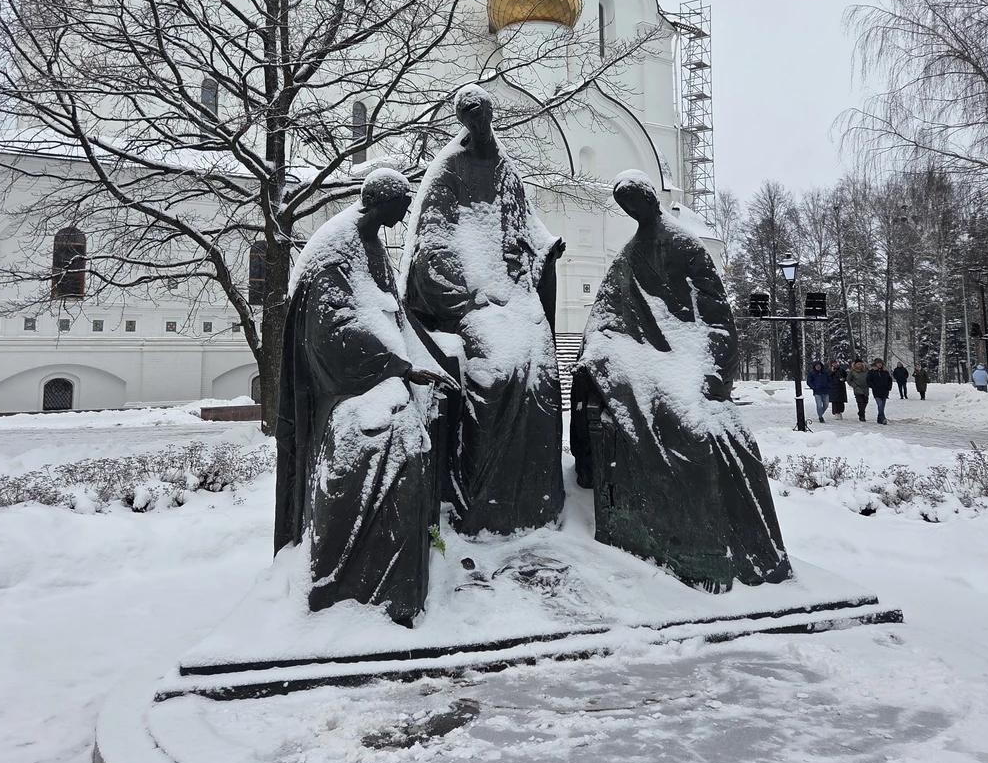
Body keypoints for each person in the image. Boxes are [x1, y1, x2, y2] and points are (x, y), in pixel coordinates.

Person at [570, 171, 791, 593]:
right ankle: (685, 543)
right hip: (645, 360)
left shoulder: (688, 249)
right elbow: (607, 314)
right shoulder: (629, 257)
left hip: (688, 360)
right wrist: (599, 345)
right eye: (626, 207)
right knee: (645, 399)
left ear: (652, 201)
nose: (634, 212)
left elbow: (716, 320)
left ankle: (706, 549)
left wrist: (711, 373)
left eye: (637, 202)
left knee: (692, 426)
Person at [274, 170, 455, 626]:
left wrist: (427, 364)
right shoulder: (335, 249)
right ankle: (356, 582)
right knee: (391, 434)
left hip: (374, 375)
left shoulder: (372, 241)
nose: (405, 216)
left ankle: (402, 579)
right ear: (381, 203)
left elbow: (392, 316)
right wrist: (399, 367)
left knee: (418, 418)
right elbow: (331, 333)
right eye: (401, 207)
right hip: (340, 386)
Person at [402, 85, 565, 537]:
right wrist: (470, 294)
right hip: (467, 297)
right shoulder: (447, 172)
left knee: (542, 371)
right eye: (469, 118)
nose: (477, 125)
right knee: (496, 370)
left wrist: (537, 257)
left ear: (489, 118)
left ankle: (537, 499)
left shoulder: (508, 172)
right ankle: (482, 500)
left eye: (482, 116)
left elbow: (523, 228)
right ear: (463, 124)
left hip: (512, 294)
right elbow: (433, 242)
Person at [867, 359, 893, 424]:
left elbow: (889, 380)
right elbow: (869, 380)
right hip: (876, 391)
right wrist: (874, 387)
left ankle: (879, 419)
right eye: (878, 363)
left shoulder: (885, 371)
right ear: (875, 364)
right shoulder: (871, 371)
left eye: (880, 363)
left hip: (885, 391)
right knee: (880, 404)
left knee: (882, 406)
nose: (879, 365)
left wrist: (889, 387)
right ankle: (883, 418)